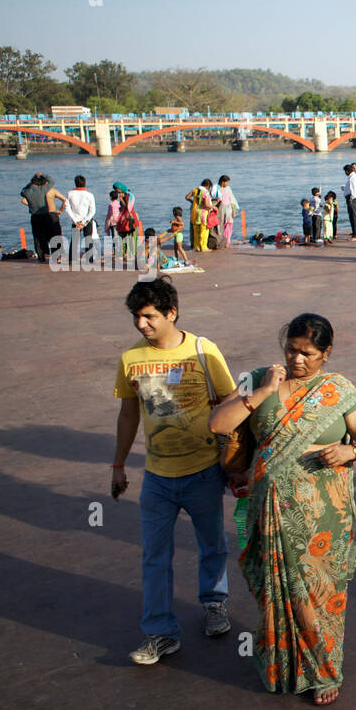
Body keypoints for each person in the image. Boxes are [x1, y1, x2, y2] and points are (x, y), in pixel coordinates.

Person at [208, 313, 356, 705]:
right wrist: (263, 390)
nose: (297, 359)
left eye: (307, 353)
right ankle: (283, 664)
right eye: (291, 350)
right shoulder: (259, 378)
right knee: (279, 592)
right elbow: (219, 425)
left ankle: (324, 671)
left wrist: (351, 450)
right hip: (270, 510)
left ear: (326, 354)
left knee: (322, 594)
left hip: (324, 516)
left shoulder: (338, 390)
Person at [112, 275, 240, 665]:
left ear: (171, 313)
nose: (141, 324)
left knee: (212, 545)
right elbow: (128, 413)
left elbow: (230, 406)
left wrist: (235, 467)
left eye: (149, 316)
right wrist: (118, 465)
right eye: (136, 317)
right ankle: (160, 633)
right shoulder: (131, 359)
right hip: (157, 478)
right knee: (154, 556)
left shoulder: (203, 351)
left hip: (203, 473)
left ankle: (215, 603)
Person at [20, 172, 62, 262]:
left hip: (35, 217)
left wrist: (30, 183)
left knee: (38, 237)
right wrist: (43, 174)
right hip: (47, 215)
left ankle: (41, 256)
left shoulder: (27, 191)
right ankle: (57, 256)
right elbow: (51, 181)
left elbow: (22, 192)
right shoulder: (45, 189)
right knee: (52, 235)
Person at [64, 175, 97, 268]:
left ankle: (71, 260)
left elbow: (67, 208)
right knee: (88, 240)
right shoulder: (90, 195)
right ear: (85, 183)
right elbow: (92, 210)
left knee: (74, 240)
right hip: (87, 220)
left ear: (75, 183)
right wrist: (85, 221)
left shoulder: (69, 193)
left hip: (76, 221)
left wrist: (75, 221)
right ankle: (89, 260)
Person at [187, 179, 213, 252]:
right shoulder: (205, 193)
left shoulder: (194, 190)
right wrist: (213, 206)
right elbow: (207, 205)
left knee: (196, 231)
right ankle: (203, 247)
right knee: (204, 231)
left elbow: (187, 197)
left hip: (194, 213)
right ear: (208, 186)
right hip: (203, 214)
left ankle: (197, 247)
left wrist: (192, 202)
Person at [215, 175, 238, 248]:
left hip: (228, 209)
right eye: (227, 182)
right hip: (220, 209)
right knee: (220, 225)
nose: (228, 184)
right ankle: (221, 241)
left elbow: (232, 200)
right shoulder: (217, 189)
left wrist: (233, 210)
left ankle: (227, 242)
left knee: (229, 225)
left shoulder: (228, 189)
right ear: (223, 182)